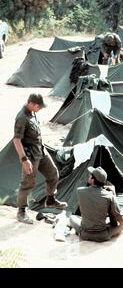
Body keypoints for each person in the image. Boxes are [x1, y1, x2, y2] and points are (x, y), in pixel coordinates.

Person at [13, 94, 67, 224]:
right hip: (30, 155)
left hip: (41, 151)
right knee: (27, 183)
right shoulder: (21, 117)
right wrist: (24, 159)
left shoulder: (32, 113)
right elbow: (16, 140)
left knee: (53, 173)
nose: (40, 108)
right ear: (31, 103)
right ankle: (21, 212)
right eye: (38, 106)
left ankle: (51, 199)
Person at [69, 167, 123, 242]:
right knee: (122, 225)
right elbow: (120, 219)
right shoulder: (109, 195)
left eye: (90, 175)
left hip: (85, 234)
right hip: (103, 235)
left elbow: (92, 198)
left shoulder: (79, 191)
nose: (89, 176)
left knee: (72, 218)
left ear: (93, 179)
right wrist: (113, 194)